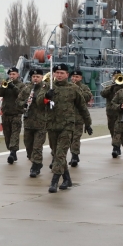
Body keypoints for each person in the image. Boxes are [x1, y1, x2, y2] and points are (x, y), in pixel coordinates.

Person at [44, 63, 92, 193]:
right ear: (54, 74)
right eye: (57, 73)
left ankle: (54, 181)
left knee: (60, 154)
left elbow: (82, 107)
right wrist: (46, 96)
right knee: (56, 153)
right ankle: (67, 179)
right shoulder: (48, 87)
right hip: (52, 125)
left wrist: (88, 123)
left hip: (67, 126)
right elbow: (39, 102)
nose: (59, 75)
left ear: (67, 75)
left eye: (62, 73)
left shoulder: (73, 89)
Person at [17, 68, 47, 177]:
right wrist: (24, 103)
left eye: (38, 76)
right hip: (28, 122)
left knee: (37, 147)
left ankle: (36, 165)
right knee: (28, 146)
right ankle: (34, 161)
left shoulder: (46, 88)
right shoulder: (27, 89)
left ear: (42, 77)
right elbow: (18, 101)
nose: (35, 78)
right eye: (33, 77)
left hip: (41, 122)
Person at [0, 67, 25, 164]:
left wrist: (13, 87)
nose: (11, 76)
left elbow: (21, 95)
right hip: (6, 113)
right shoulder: (6, 84)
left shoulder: (21, 85)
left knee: (15, 134)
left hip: (16, 113)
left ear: (18, 75)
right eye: (10, 74)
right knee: (7, 135)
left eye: (13, 74)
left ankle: (13, 152)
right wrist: (3, 86)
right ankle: (12, 151)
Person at [68, 69, 93, 167]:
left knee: (76, 138)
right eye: (73, 77)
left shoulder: (84, 87)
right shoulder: (67, 86)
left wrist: (77, 89)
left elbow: (87, 97)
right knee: (69, 138)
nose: (74, 78)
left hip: (78, 117)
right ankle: (74, 154)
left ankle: (74, 155)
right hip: (67, 117)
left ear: (81, 78)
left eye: (77, 77)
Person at [101, 70, 123, 157]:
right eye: (115, 75)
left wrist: (122, 84)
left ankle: (116, 147)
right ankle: (116, 145)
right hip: (111, 112)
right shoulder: (109, 86)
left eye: (118, 75)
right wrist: (111, 87)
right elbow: (103, 94)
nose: (116, 77)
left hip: (121, 111)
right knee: (112, 129)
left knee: (118, 129)